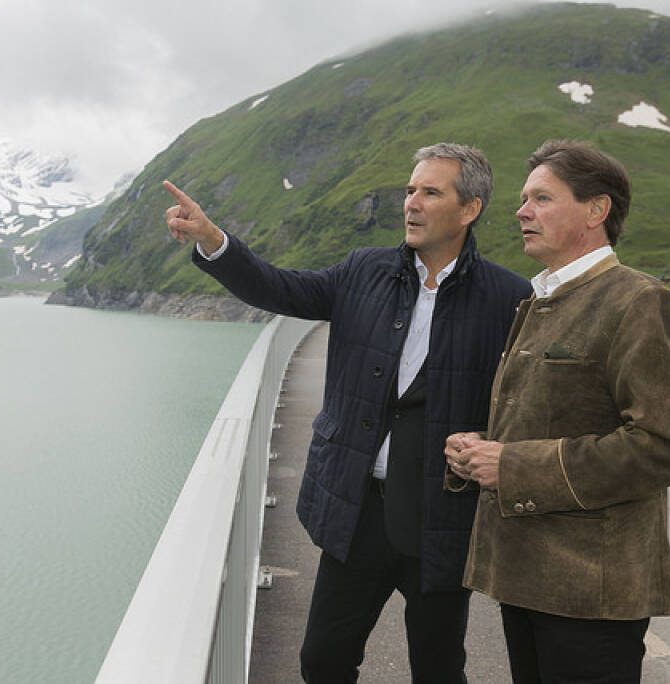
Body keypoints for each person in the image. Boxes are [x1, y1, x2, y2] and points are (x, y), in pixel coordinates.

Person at [163, 142, 531, 683]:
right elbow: (280, 287)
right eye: (410, 190)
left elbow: (523, 399)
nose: (412, 203)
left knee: (438, 667)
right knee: (323, 660)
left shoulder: (507, 297)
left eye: (430, 192)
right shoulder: (364, 270)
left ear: (469, 209)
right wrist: (214, 242)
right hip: (358, 511)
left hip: (443, 518)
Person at [445, 139, 670, 683]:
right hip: (528, 576)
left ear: (595, 210)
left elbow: (664, 445)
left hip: (592, 590)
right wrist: (480, 451)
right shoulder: (539, 301)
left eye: (541, 198)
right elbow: (551, 419)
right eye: (523, 199)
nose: (521, 212)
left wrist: (512, 466)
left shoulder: (637, 301)